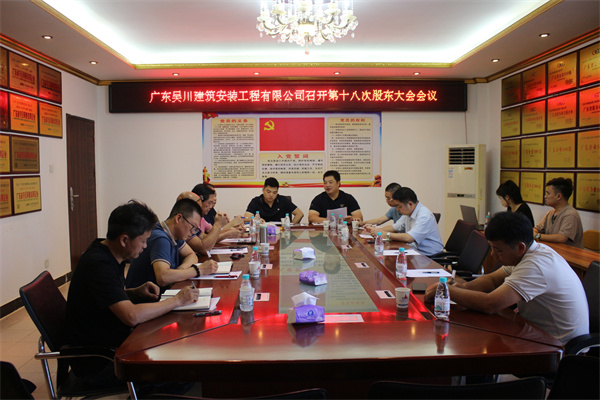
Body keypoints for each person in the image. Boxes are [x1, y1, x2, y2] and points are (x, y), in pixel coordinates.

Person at [65, 200, 199, 390]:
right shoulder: (98, 264)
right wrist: (177, 300)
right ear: (124, 240)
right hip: (102, 361)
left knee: (179, 350)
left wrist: (134, 292)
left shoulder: (107, 252)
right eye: (143, 241)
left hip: (117, 343)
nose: (145, 246)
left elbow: (105, 296)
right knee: (184, 372)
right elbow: (131, 316)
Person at [425, 212, 589, 344]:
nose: (493, 255)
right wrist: (463, 288)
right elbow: (492, 280)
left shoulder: (537, 265)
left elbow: (490, 304)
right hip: (535, 331)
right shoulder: (527, 253)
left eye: (498, 250)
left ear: (520, 247)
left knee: (474, 342)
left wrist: (446, 291)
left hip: (559, 346)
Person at [125, 198, 218, 293]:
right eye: (192, 227)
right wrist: (198, 270)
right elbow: (163, 278)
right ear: (178, 218)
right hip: (147, 298)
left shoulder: (174, 234)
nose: (193, 232)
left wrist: (181, 270)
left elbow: (191, 255)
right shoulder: (160, 238)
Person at [369, 187, 443, 256]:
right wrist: (377, 231)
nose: (397, 209)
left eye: (399, 206)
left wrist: (386, 234)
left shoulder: (424, 216)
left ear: (410, 204)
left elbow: (409, 238)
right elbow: (394, 227)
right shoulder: (408, 213)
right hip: (414, 251)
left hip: (429, 256)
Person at [534, 177, 583, 248]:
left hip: (567, 253)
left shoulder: (570, 214)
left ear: (558, 196)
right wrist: (533, 231)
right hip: (552, 250)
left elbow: (562, 238)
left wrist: (537, 236)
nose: (545, 196)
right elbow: (537, 228)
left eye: (548, 193)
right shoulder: (550, 213)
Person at [176, 191, 227, 255]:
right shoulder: (183, 224)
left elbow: (204, 237)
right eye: (197, 207)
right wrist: (218, 224)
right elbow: (203, 248)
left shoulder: (192, 222)